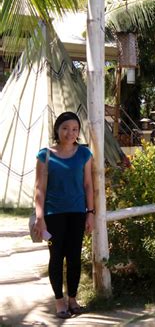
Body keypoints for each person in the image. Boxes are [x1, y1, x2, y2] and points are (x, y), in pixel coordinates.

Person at [33, 112, 95, 319]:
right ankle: (59, 301)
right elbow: (39, 189)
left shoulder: (84, 154)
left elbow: (88, 185)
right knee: (56, 257)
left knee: (75, 257)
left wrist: (91, 213)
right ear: (57, 129)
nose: (70, 132)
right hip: (53, 215)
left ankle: (73, 299)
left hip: (77, 213)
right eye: (65, 128)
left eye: (75, 129)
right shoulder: (45, 155)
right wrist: (40, 217)